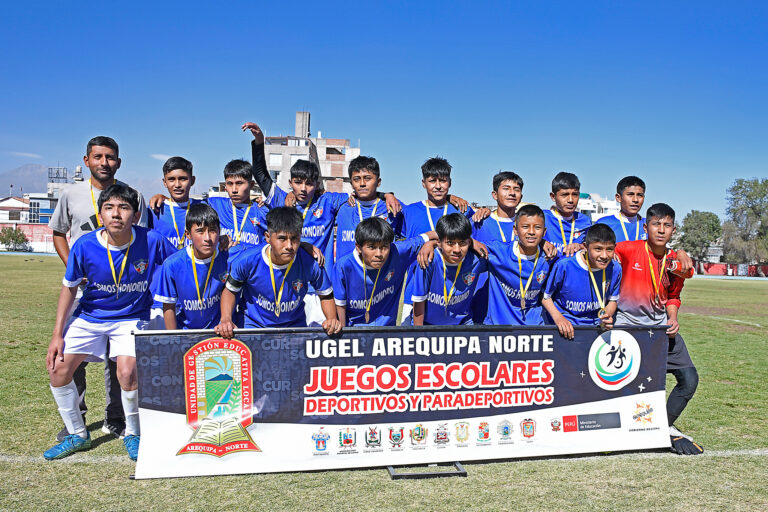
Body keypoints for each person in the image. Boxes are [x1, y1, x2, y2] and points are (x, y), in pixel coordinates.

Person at [44, 184, 174, 461]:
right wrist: (57, 335)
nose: (117, 214)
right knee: (57, 370)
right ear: (101, 214)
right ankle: (77, 434)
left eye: (124, 208)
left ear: (136, 215)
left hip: (133, 316)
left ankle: (133, 433)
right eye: (110, 208)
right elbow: (68, 288)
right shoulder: (84, 245)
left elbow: (178, 266)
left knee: (127, 373)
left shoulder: (153, 240)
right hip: (91, 315)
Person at [47, 136, 149, 442]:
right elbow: (58, 233)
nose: (104, 162)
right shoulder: (71, 194)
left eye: (110, 157)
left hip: (124, 292)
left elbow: (145, 237)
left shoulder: (133, 196)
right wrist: (75, 272)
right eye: (98, 157)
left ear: (118, 161)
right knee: (71, 360)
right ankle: (75, 421)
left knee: (118, 361)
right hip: (85, 291)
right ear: (86, 160)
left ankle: (118, 418)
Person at [613, 203, 703, 455]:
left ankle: (662, 425)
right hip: (628, 330)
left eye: (667, 225)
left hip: (661, 330)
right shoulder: (628, 250)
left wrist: (672, 318)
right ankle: (625, 431)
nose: (661, 230)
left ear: (673, 229)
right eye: (656, 224)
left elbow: (674, 295)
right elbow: (601, 255)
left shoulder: (675, 261)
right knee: (627, 384)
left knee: (689, 379)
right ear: (646, 227)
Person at [215, 207, 341, 336]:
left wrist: (331, 318)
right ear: (268, 237)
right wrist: (226, 319)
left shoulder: (310, 262)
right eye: (282, 239)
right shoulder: (247, 260)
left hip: (294, 327)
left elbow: (326, 294)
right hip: (254, 326)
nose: (289, 246)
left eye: (295, 239)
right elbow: (230, 291)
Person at [399, 157, 486, 323]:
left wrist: (484, 214)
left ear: (450, 183)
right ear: (423, 183)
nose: (438, 186)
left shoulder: (461, 210)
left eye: (443, 181)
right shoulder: (409, 212)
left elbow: (475, 226)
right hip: (415, 293)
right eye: (432, 181)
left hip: (454, 292)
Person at [332, 217, 432, 326]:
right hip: (356, 332)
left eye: (384, 247)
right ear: (359, 248)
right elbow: (340, 307)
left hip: (387, 333)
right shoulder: (343, 267)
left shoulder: (398, 251)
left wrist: (430, 244)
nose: (379, 254)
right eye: (372, 247)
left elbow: (435, 235)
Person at [154, 204, 230, 329]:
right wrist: (174, 340)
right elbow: (168, 307)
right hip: (186, 332)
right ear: (188, 234)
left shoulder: (228, 258)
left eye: (212, 231)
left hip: (219, 330)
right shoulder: (172, 264)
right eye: (200, 231)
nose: (207, 238)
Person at [542, 224, 621, 339]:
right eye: (598, 249)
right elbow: (546, 297)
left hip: (595, 327)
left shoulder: (615, 268)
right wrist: (559, 319)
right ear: (585, 247)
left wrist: (605, 318)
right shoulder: (565, 265)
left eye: (609, 249)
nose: (604, 255)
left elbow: (612, 301)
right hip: (565, 325)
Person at [482, 204, 558, 325]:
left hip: (533, 328)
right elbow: (464, 245)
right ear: (515, 230)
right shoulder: (498, 251)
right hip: (498, 328)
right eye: (525, 227)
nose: (531, 232)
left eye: (537, 227)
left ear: (544, 232)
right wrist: (470, 241)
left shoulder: (550, 257)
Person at [411, 214, 485, 325]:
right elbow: (419, 303)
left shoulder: (477, 259)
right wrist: (419, 335)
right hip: (429, 326)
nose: (457, 249)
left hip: (462, 325)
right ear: (439, 243)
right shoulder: (428, 260)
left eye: (462, 243)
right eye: (450, 243)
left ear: (469, 242)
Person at [333, 156, 406, 262]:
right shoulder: (342, 207)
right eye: (357, 179)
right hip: (348, 275)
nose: (362, 183)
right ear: (351, 184)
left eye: (367, 178)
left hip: (381, 275)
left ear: (378, 181)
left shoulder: (393, 206)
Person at [207, 159, 268, 262]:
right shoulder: (215, 204)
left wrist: (292, 194)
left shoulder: (263, 210)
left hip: (251, 271)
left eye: (239, 183)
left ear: (252, 185)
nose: (234, 190)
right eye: (230, 184)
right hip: (222, 270)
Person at [147, 156, 202, 249]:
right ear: (164, 182)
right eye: (171, 179)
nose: (177, 185)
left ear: (192, 180)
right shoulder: (154, 209)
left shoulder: (203, 207)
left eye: (183, 179)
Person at [543, 171, 593, 256]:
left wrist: (581, 246)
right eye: (564, 195)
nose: (570, 200)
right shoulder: (542, 217)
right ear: (553, 196)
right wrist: (541, 242)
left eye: (574, 194)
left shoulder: (585, 221)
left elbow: (591, 248)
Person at [471, 171, 524, 243]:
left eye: (517, 189)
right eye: (506, 188)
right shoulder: (479, 220)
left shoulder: (527, 224)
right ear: (495, 195)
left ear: (521, 197)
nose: (512, 193)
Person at [596, 176, 647, 242]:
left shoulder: (650, 225)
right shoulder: (604, 224)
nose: (635, 200)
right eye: (630, 195)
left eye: (639, 195)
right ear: (618, 198)